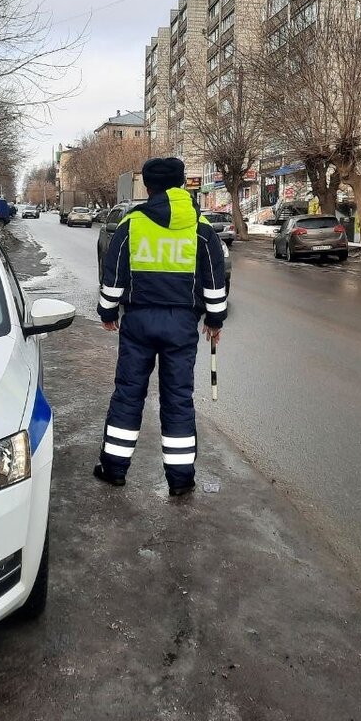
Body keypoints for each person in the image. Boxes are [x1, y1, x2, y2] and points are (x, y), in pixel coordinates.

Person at [95, 157, 228, 497]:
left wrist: (107, 311)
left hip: (138, 322)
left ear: (149, 187)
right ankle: (181, 480)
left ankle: (114, 470)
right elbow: (214, 281)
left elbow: (114, 275)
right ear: (183, 183)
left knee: (128, 394)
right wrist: (214, 320)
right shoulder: (201, 227)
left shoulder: (132, 223)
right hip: (182, 325)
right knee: (178, 399)